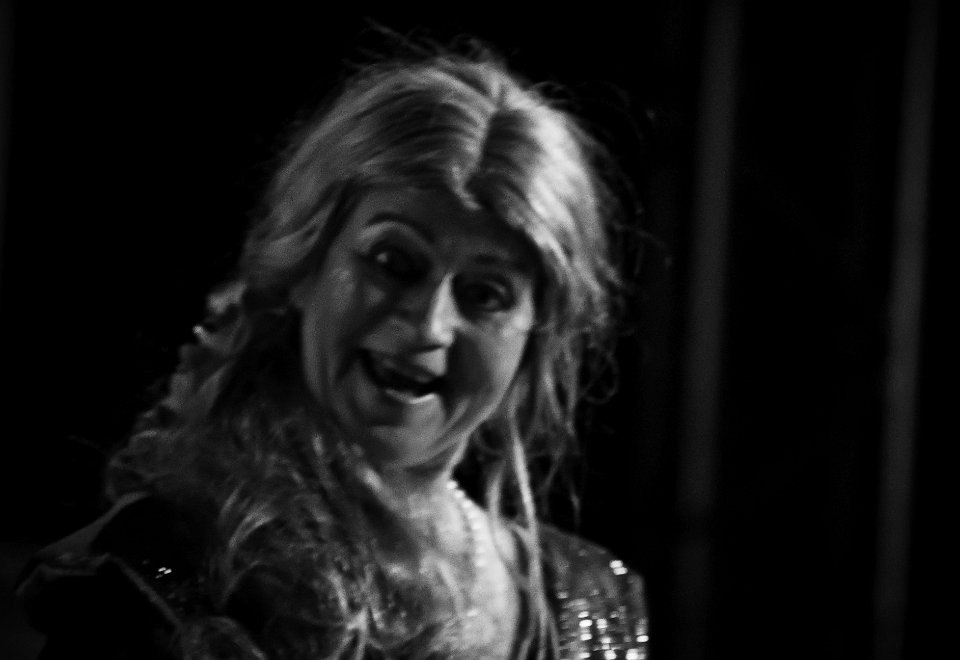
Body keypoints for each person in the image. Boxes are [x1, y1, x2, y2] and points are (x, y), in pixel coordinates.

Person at [17, 45, 650, 660]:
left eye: (485, 295)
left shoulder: (588, 602)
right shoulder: (171, 571)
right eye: (394, 262)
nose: (428, 326)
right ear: (304, 266)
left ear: (537, 337)